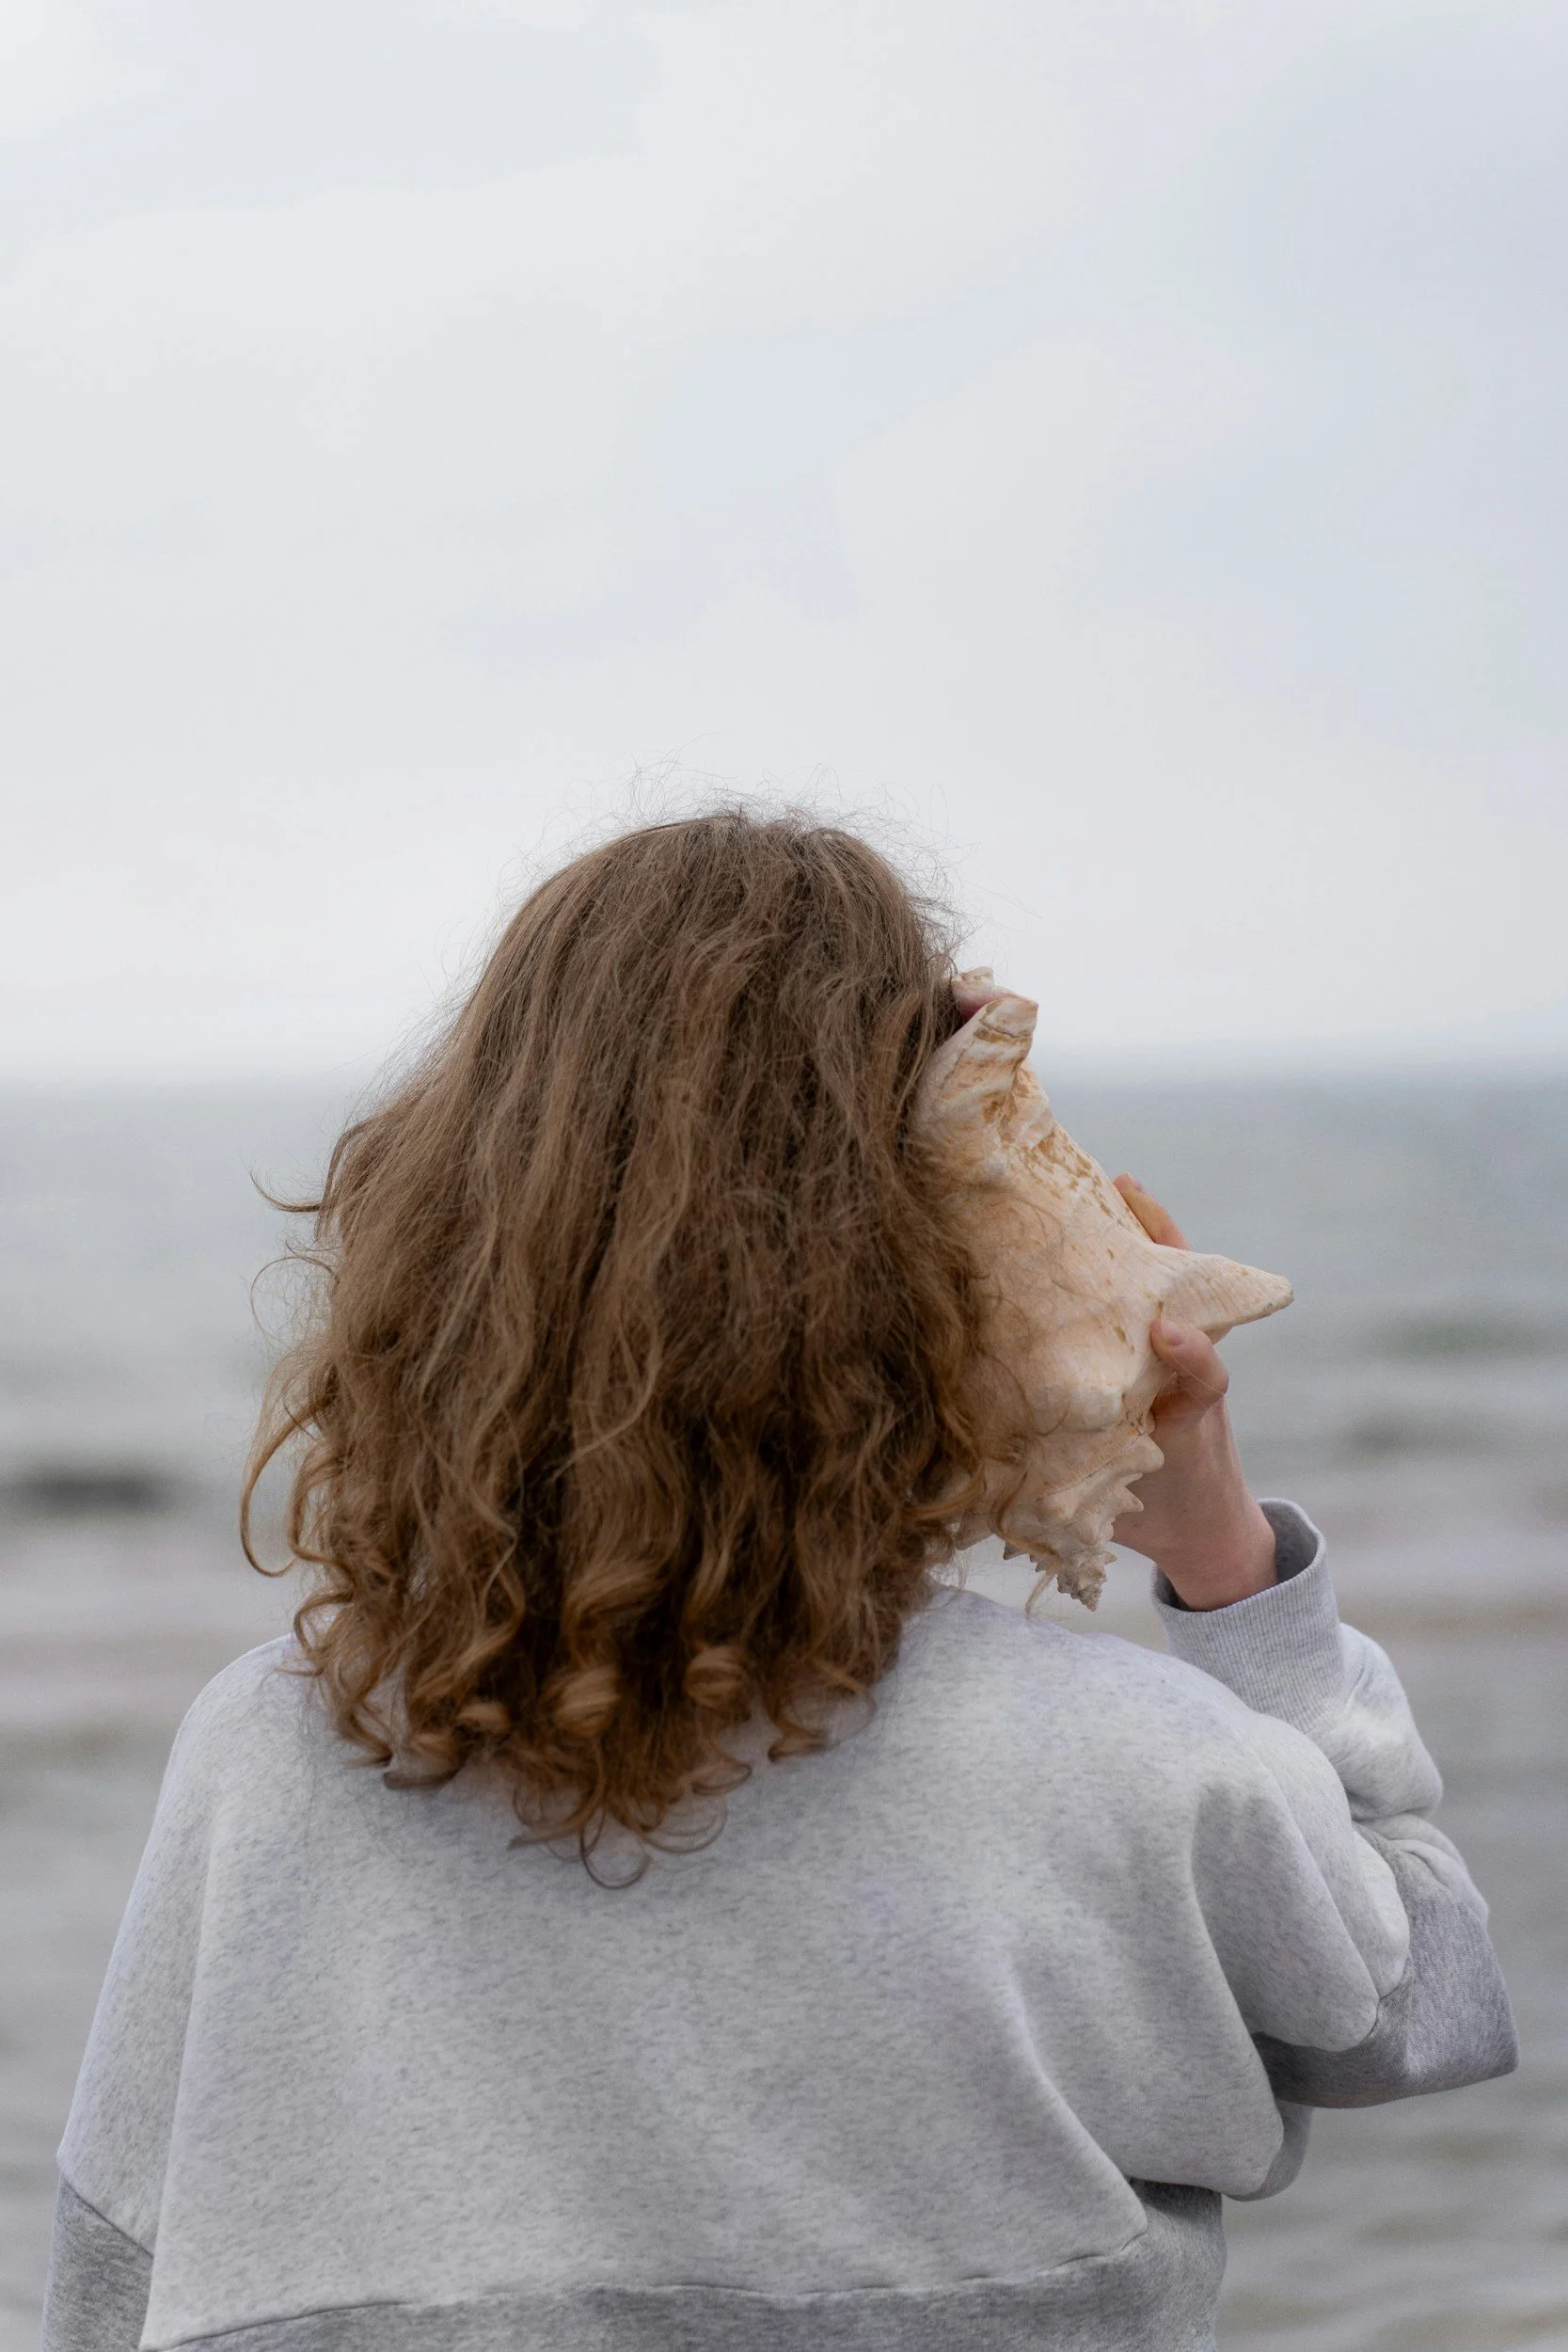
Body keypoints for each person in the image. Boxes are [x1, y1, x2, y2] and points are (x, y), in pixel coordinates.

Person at [43, 810, 1516, 2352]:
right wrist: (1222, 1559)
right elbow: (1421, 2003)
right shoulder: (1133, 1771)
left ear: (452, 1236)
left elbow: (111, 2291)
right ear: (931, 1255)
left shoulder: (268, 1758)